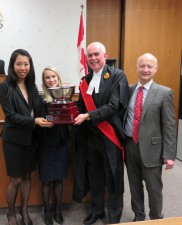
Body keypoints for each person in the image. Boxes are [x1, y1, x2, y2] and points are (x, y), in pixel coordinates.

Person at [72, 42, 129, 224]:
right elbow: (80, 106)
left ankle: (114, 215)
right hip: (90, 137)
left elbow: (114, 106)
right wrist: (66, 111)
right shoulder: (85, 80)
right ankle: (97, 211)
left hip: (110, 135)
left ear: (105, 55)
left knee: (113, 176)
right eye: (90, 55)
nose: (93, 58)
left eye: (96, 54)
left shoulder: (117, 76)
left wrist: (87, 115)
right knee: (94, 175)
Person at [0, 49, 53, 225]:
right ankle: (11, 213)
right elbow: (11, 116)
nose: (23, 68)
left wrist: (53, 114)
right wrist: (34, 120)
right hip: (13, 140)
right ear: (12, 65)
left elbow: (40, 108)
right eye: (19, 64)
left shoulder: (32, 86)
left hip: (30, 139)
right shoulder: (5, 87)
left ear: (30, 65)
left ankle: (24, 211)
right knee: (16, 179)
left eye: (26, 64)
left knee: (28, 177)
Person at [124, 53, 177, 221]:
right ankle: (139, 216)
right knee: (134, 185)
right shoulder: (129, 89)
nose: (145, 69)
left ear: (155, 69)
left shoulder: (164, 92)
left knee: (154, 188)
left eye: (149, 66)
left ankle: (156, 218)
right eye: (142, 66)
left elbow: (169, 126)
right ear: (136, 68)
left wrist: (169, 155)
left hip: (153, 150)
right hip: (130, 145)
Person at [38, 66, 70, 225]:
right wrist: (43, 122)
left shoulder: (66, 96)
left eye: (53, 77)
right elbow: (36, 119)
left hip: (61, 142)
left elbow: (70, 117)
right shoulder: (39, 98)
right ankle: (47, 211)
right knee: (47, 181)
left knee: (58, 179)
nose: (51, 79)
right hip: (46, 143)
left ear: (58, 78)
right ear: (43, 81)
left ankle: (58, 209)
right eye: (47, 77)